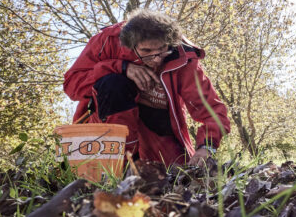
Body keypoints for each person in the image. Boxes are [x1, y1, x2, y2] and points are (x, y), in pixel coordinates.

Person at [64, 9, 230, 166]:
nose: (156, 59)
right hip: (103, 126)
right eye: (147, 51)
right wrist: (121, 67)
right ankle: (115, 166)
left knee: (175, 175)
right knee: (114, 84)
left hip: (157, 127)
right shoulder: (108, 41)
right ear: (131, 45)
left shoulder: (184, 58)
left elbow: (212, 110)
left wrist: (206, 147)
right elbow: (72, 85)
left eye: (162, 50)